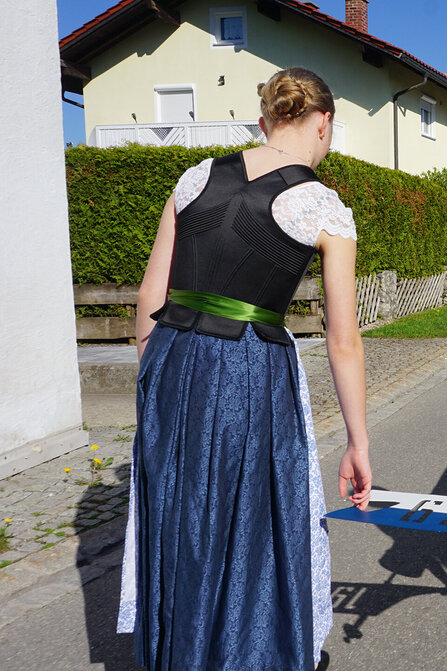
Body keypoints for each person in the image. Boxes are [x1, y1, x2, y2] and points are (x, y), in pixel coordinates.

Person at [119, 67, 372, 670]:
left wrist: (155, 385)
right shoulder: (323, 207)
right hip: (249, 372)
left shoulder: (195, 178)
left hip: (172, 362)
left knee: (179, 515)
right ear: (323, 122)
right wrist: (358, 442)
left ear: (265, 122)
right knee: (251, 521)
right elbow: (343, 341)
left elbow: (150, 297)